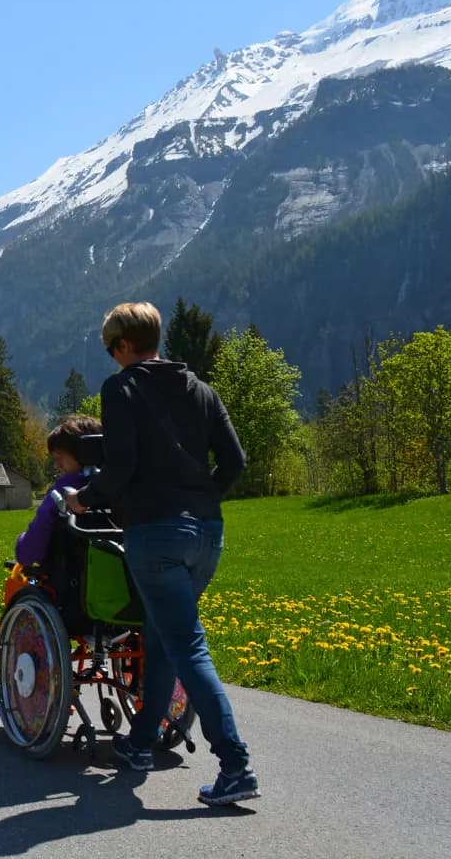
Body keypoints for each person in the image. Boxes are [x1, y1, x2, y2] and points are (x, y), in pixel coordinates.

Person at [64, 301, 259, 807]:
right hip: (207, 534)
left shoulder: (122, 388)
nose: (112, 358)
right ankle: (140, 743)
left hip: (154, 534)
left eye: (112, 349)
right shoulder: (201, 389)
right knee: (162, 637)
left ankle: (235, 764)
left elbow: (122, 465)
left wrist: (84, 498)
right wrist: (202, 498)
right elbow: (235, 461)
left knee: (187, 646)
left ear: (125, 345)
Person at [14, 414, 102, 568]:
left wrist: (22, 543)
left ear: (82, 451)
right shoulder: (116, 485)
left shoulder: (62, 491)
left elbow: (29, 552)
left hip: (68, 574)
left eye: (59, 458)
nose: (57, 466)